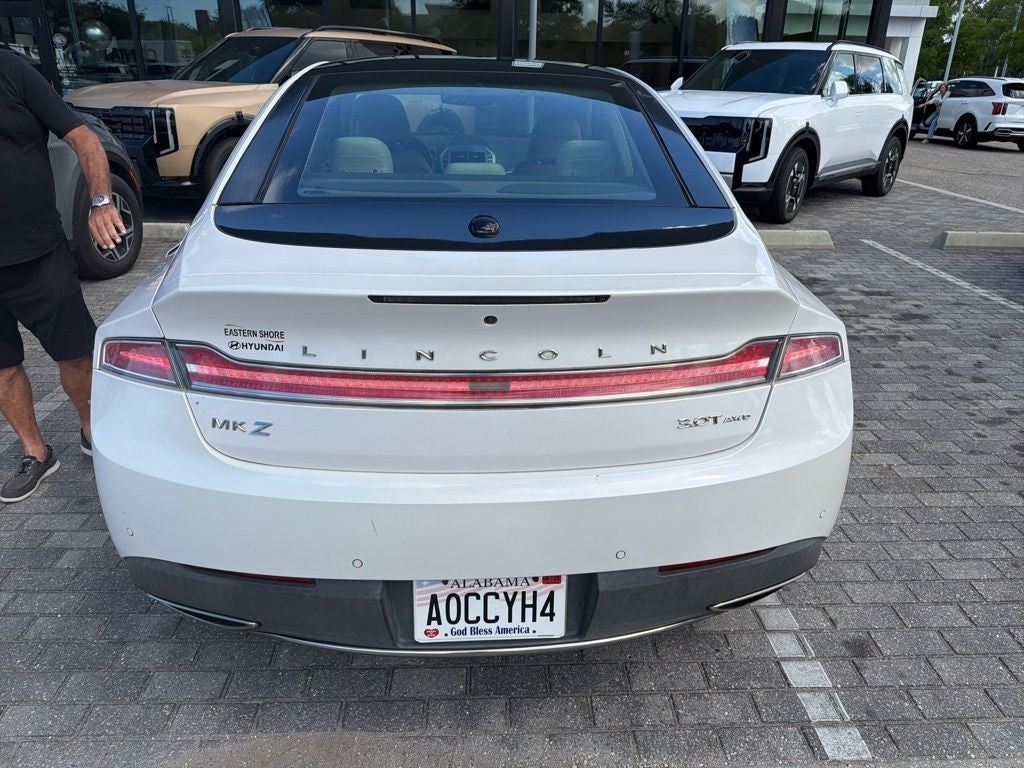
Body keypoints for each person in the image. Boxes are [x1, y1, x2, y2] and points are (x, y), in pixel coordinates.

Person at [0, 47, 126, 503]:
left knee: (75, 352)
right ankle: (36, 452)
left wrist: (100, 202)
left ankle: (92, 429)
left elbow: (83, 137)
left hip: (36, 252)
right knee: (2, 367)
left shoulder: (9, 68)